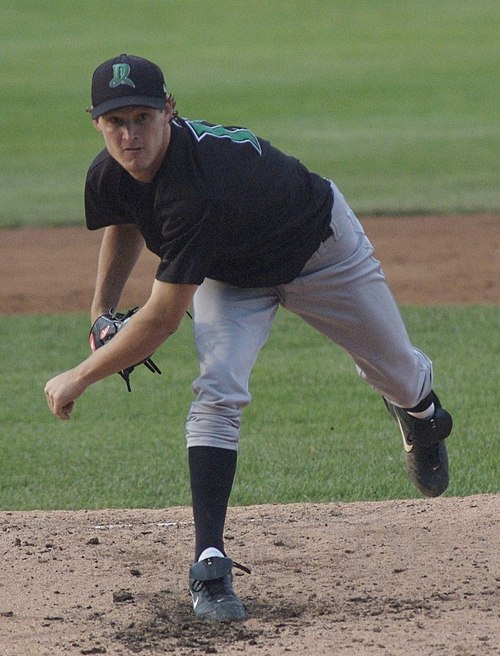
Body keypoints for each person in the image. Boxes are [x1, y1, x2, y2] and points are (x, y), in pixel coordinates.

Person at [45, 54, 453, 623]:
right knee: (217, 388)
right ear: (96, 122)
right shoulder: (112, 170)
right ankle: (209, 563)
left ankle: (422, 412)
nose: (129, 134)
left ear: (169, 109)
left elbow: (162, 320)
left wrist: (79, 376)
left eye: (142, 117)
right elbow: (127, 217)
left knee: (396, 374)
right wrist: (101, 310)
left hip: (320, 252)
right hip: (231, 275)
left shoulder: (200, 186)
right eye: (115, 122)